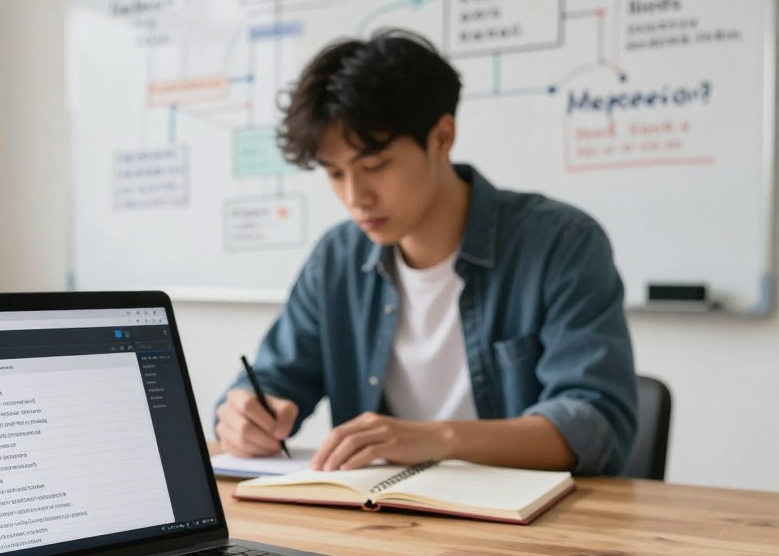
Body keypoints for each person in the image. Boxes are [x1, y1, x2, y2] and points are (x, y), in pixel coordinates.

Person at [214, 29, 636, 475]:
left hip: (531, 527)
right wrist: (243, 415)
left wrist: (436, 439)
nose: (355, 197)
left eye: (374, 166)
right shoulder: (338, 258)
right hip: (384, 524)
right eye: (335, 174)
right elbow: (272, 382)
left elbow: (596, 424)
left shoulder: (561, 244)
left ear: (442, 137)